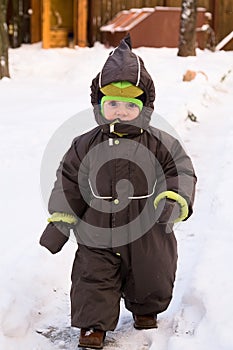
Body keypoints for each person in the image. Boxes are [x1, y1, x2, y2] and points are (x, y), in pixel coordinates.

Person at [40, 34, 196, 349]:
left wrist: (171, 199)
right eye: (112, 104)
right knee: (92, 275)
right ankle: (92, 326)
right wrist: (61, 220)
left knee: (151, 273)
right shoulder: (84, 144)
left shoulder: (160, 142)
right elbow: (70, 180)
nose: (120, 112)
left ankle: (146, 310)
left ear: (145, 106)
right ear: (99, 104)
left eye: (129, 105)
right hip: (96, 225)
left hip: (146, 224)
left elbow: (180, 170)